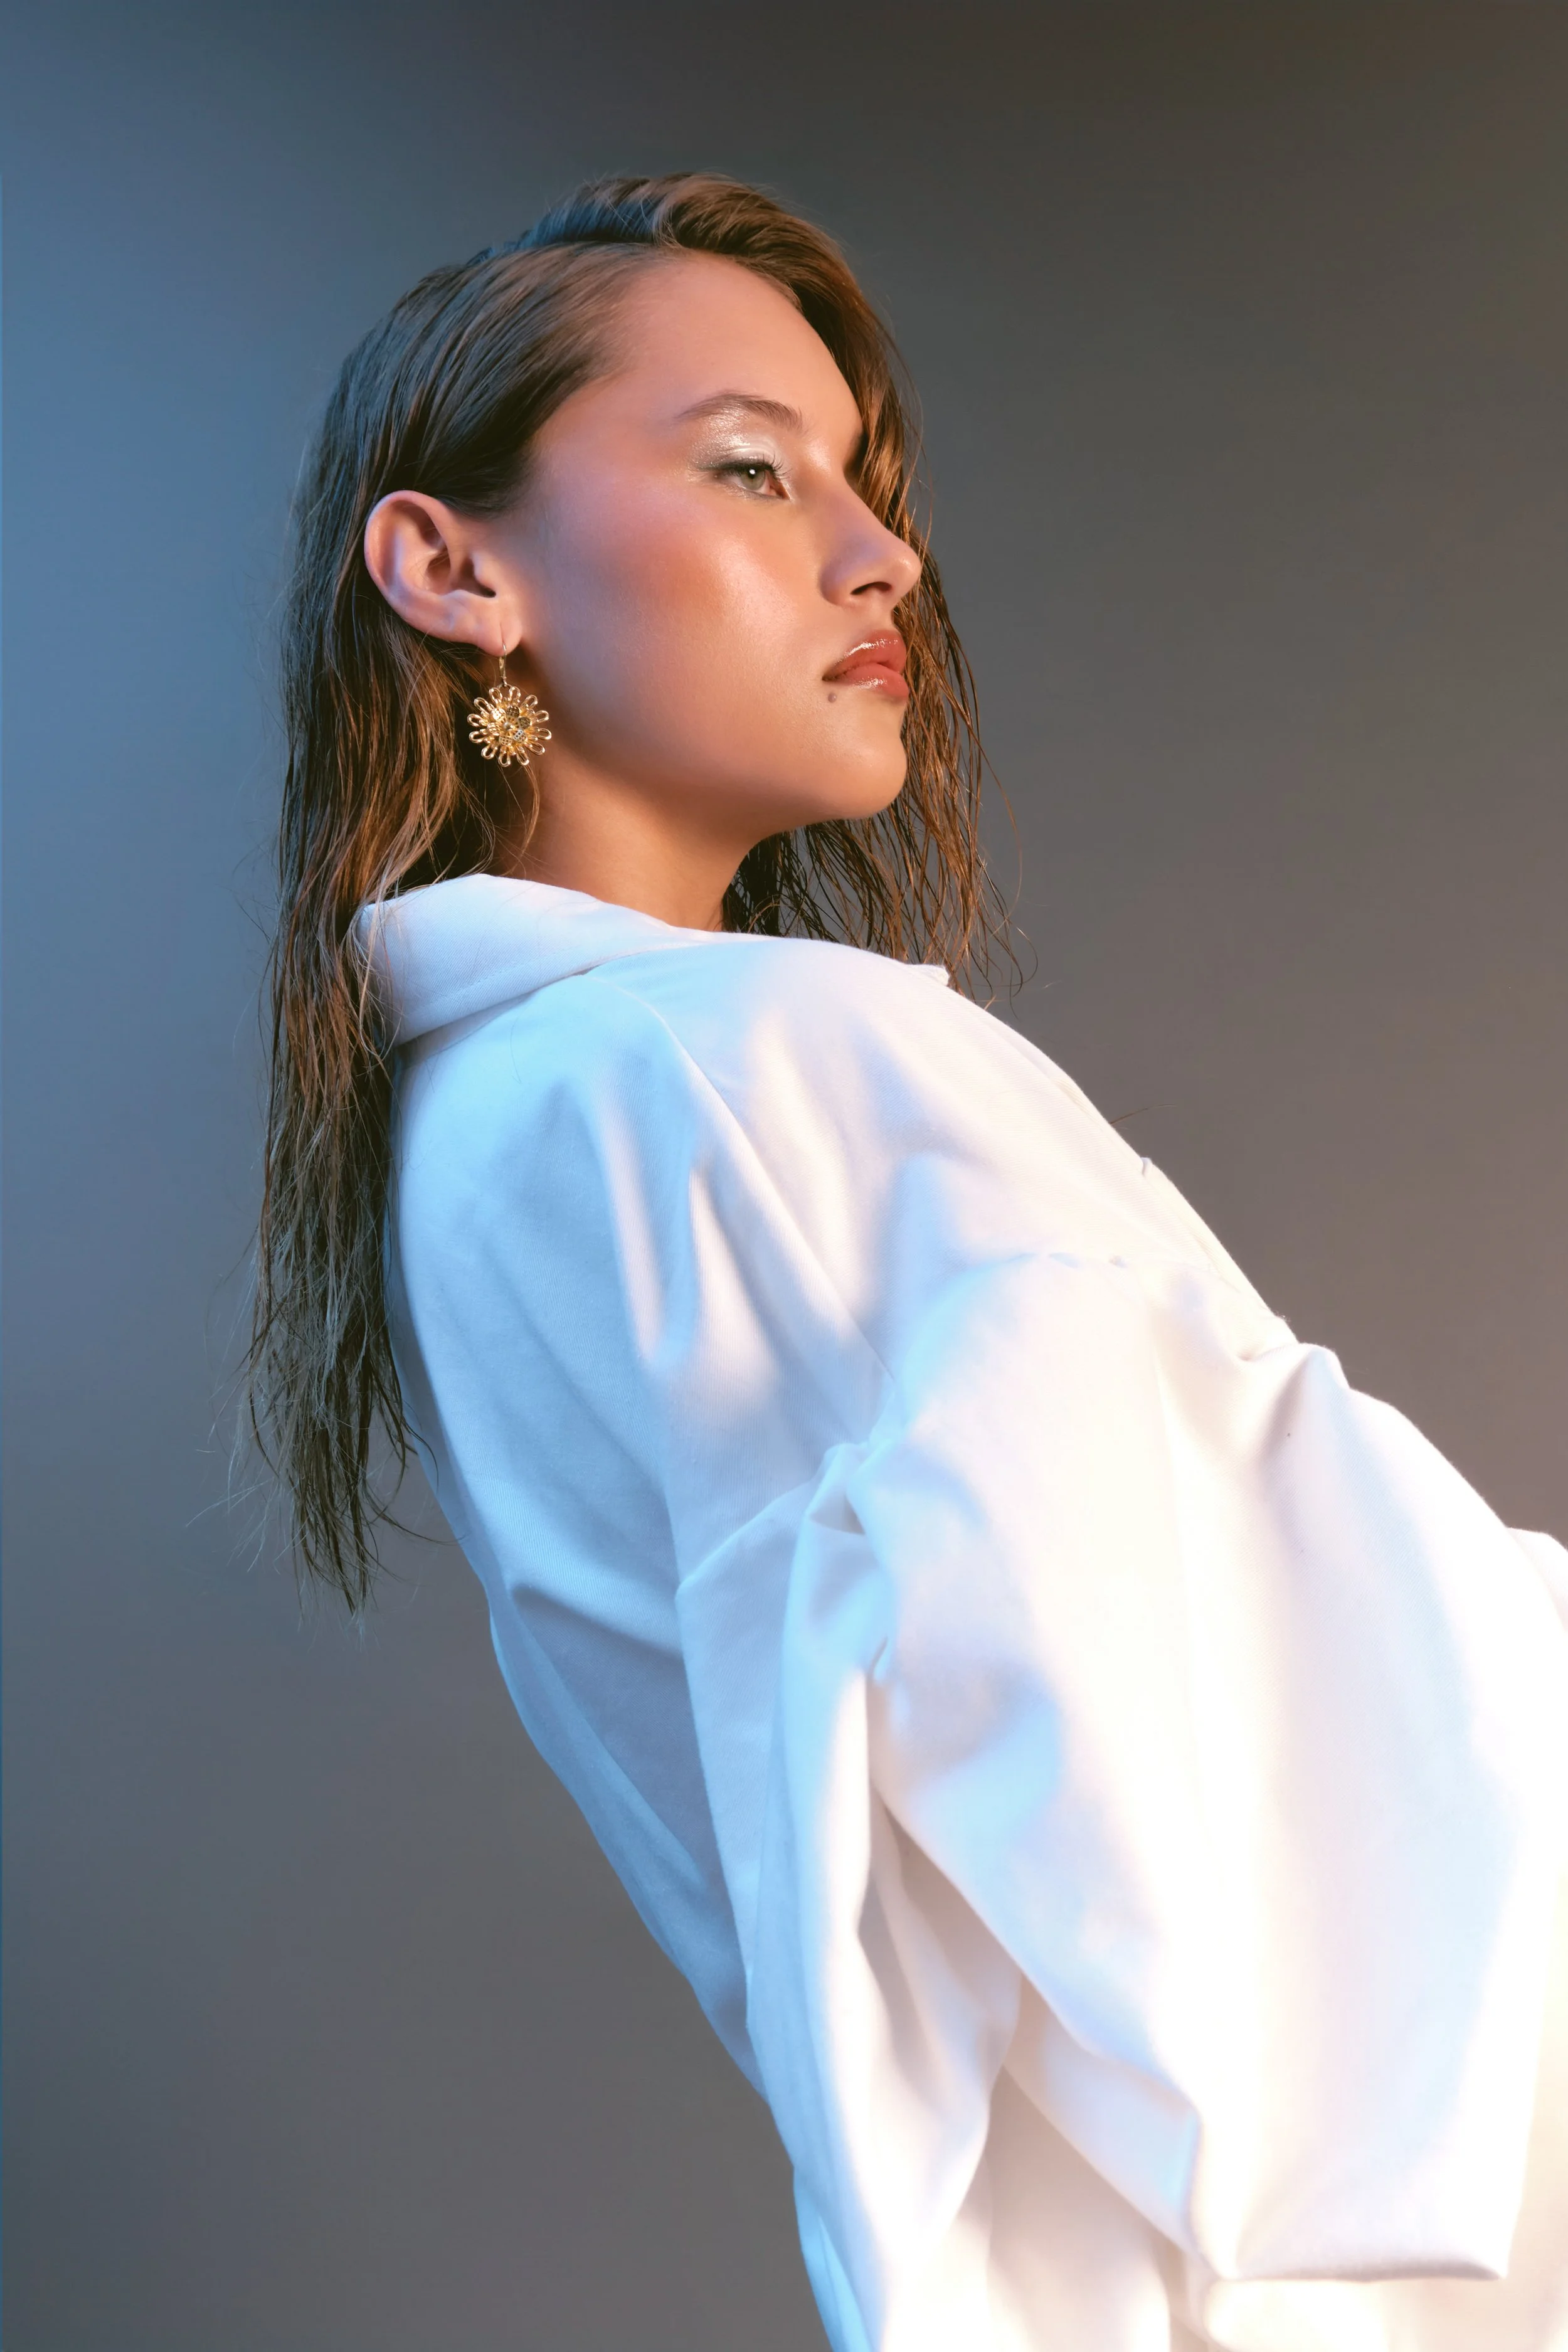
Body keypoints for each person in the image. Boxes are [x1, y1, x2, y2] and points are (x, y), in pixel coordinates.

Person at [249, 173, 1568, 2351]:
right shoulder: (741, 1059)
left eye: (864, 482)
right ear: (451, 569)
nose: (882, 557)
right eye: (749, 467)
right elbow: (1237, 1746)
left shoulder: (485, 1126)